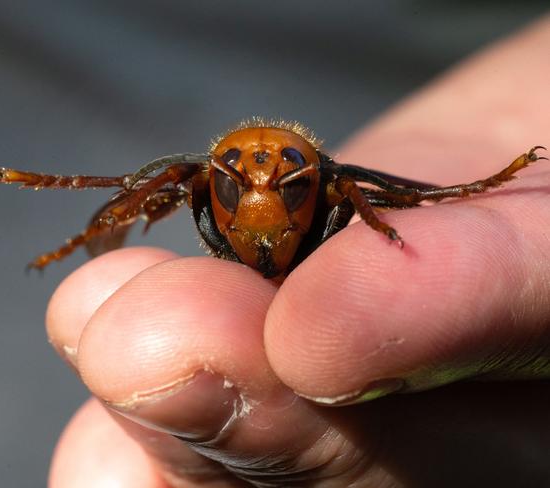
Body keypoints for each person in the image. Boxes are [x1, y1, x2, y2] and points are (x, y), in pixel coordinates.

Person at [46, 17, 550, 487]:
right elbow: (156, 183)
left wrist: (455, 193)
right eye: (235, 188)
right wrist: (106, 198)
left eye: (285, 187)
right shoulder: (196, 182)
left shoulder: (335, 186)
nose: (260, 206)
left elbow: (406, 193)